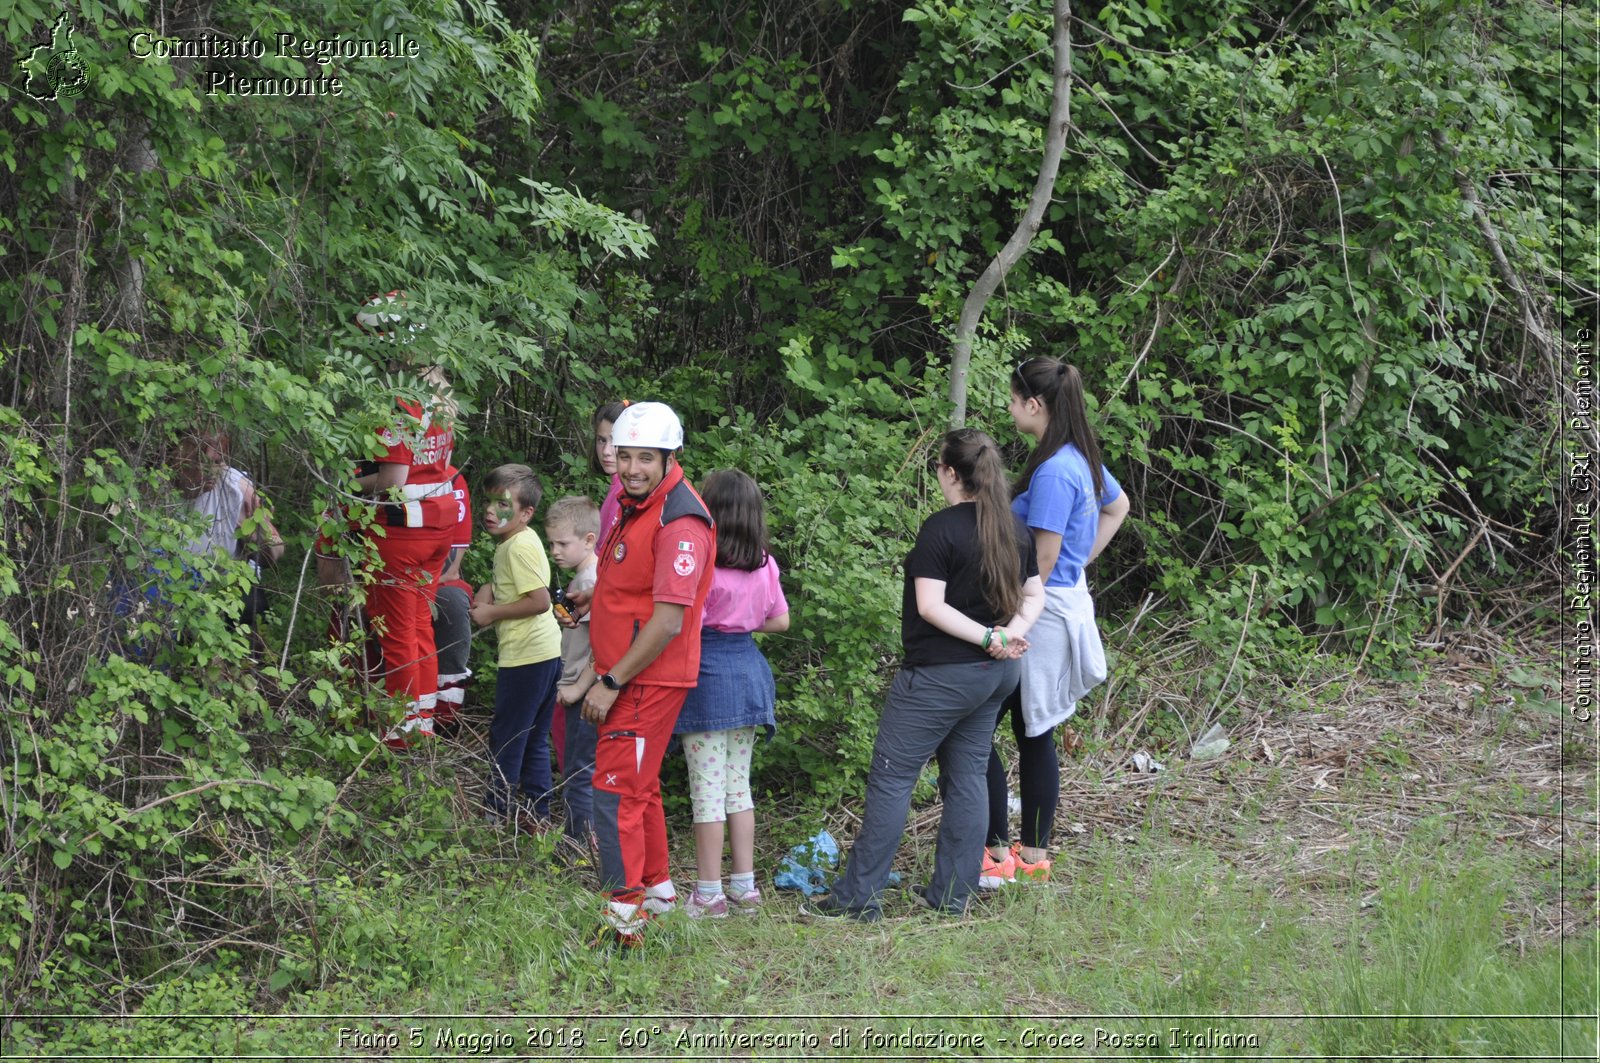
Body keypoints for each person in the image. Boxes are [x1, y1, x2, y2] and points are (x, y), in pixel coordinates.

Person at [804, 429, 1043, 921]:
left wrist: (989, 638)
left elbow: (930, 608)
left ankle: (856, 899)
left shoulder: (942, 530)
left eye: (938, 467)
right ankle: (952, 895)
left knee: (893, 779)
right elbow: (1036, 595)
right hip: (996, 674)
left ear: (951, 473)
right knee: (968, 775)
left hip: (943, 676)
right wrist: (1007, 637)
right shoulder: (1013, 529)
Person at [571, 401, 716, 946]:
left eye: (644, 458)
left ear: (669, 456)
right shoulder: (639, 503)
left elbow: (667, 622)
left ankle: (622, 922)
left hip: (643, 681)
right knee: (641, 788)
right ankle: (656, 894)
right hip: (626, 675)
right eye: (624, 455)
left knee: (614, 794)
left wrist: (609, 683)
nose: (630, 467)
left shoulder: (680, 522)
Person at [981, 358, 1129, 887]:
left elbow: (1039, 563)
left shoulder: (1053, 471)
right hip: (1062, 602)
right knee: (1031, 730)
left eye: (1014, 398)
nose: (1009, 406)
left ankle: (1000, 852)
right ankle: (1030, 855)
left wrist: (1011, 619)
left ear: (1035, 405)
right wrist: (1079, 563)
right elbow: (1119, 506)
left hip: (1040, 617)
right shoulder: (1078, 458)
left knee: (986, 725)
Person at [674, 469, 789, 919]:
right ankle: (744, 887)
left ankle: (708, 893)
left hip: (709, 676)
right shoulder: (764, 561)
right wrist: (742, 620)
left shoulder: (704, 565)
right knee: (737, 788)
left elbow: (688, 625)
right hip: (749, 674)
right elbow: (780, 621)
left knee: (706, 791)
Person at [352, 291, 459, 749]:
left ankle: (398, 743)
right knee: (418, 629)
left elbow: (393, 476)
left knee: (396, 635)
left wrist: (344, 482)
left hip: (401, 534)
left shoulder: (397, 400)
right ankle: (423, 730)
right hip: (436, 530)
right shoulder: (440, 395)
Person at [469, 464, 564, 828]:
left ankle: (496, 817)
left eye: (503, 505)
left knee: (507, 738)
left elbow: (540, 600)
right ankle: (536, 815)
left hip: (526, 658)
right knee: (535, 739)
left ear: (526, 513)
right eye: (489, 502)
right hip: (545, 655)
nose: (492, 511)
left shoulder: (514, 548)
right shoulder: (520, 540)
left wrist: (492, 613)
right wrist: (489, 590)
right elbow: (526, 581)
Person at [173, 428, 284, 639]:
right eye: (201, 461)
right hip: (173, 588)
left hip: (225, 587)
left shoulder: (236, 486)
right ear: (178, 456)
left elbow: (277, 550)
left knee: (250, 607)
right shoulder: (152, 489)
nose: (211, 471)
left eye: (217, 462)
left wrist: (255, 536)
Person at [543, 495, 601, 844]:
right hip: (575, 684)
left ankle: (580, 843)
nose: (555, 551)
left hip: (581, 687)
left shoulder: (589, 583)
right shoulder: (582, 580)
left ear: (589, 539)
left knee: (579, 771)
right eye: (551, 543)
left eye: (563, 543)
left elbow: (601, 647)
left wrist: (578, 686)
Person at [431, 466, 473, 735]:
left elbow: (452, 569)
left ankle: (445, 717)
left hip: (439, 578)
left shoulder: (452, 477)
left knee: (453, 605)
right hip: (386, 576)